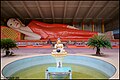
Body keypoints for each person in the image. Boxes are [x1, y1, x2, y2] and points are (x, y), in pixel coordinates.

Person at [7, 18, 98, 40]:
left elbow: (50, 25)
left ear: (17, 19)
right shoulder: (27, 37)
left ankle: (101, 35)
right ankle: (97, 38)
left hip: (58, 31)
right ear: (11, 28)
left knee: (82, 33)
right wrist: (19, 30)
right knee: (80, 38)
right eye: (11, 24)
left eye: (14, 20)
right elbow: (38, 37)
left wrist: (66, 26)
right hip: (55, 39)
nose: (14, 22)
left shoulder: (32, 22)